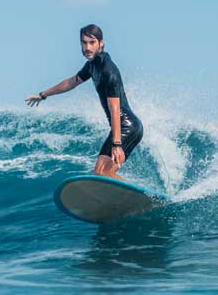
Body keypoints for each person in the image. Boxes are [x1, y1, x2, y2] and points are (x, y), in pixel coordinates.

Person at [26, 24, 143, 180]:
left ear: (101, 43)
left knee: (104, 174)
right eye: (84, 42)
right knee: (101, 174)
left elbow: (114, 108)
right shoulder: (92, 65)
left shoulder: (108, 70)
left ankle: (135, 199)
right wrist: (43, 94)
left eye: (92, 42)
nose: (87, 47)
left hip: (127, 127)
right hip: (123, 127)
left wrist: (116, 144)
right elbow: (72, 82)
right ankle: (126, 199)